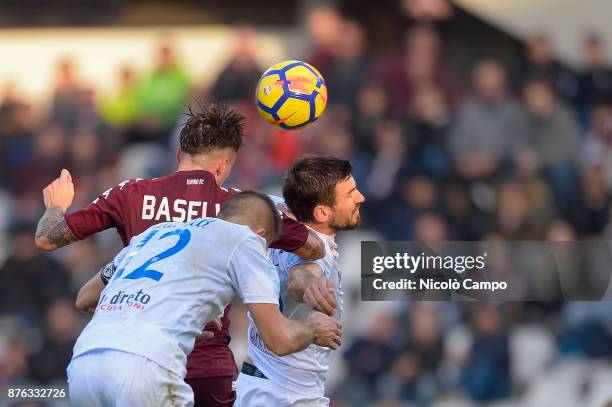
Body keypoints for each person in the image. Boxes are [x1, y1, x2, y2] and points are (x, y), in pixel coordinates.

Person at [34, 103, 325, 406]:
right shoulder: (240, 212)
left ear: (178, 155)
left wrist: (56, 206)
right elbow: (313, 247)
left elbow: (47, 240)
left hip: (98, 353)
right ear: (223, 166)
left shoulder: (131, 198)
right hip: (197, 365)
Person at [67, 191, 342, 407]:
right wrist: (312, 328)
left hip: (84, 366)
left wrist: (167, 315)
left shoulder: (155, 233)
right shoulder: (245, 239)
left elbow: (86, 298)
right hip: (145, 366)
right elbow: (279, 340)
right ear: (260, 235)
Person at [235, 156, 365, 406]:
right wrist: (310, 288)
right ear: (322, 212)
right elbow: (302, 274)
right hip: (287, 396)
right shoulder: (317, 252)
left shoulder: (274, 218)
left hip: (253, 386)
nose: (360, 198)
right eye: (350, 194)